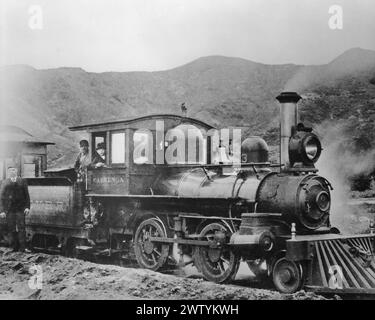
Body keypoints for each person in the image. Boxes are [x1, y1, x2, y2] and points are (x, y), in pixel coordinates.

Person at [0, 165, 31, 252]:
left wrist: (27, 207)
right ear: (8, 172)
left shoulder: (22, 181)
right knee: (11, 228)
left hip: (20, 209)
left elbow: (27, 196)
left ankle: (23, 248)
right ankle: (14, 247)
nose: (12, 172)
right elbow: (1, 197)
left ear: (16, 171)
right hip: (10, 210)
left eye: (13, 170)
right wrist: (2, 211)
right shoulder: (5, 182)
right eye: (10, 171)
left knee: (22, 228)